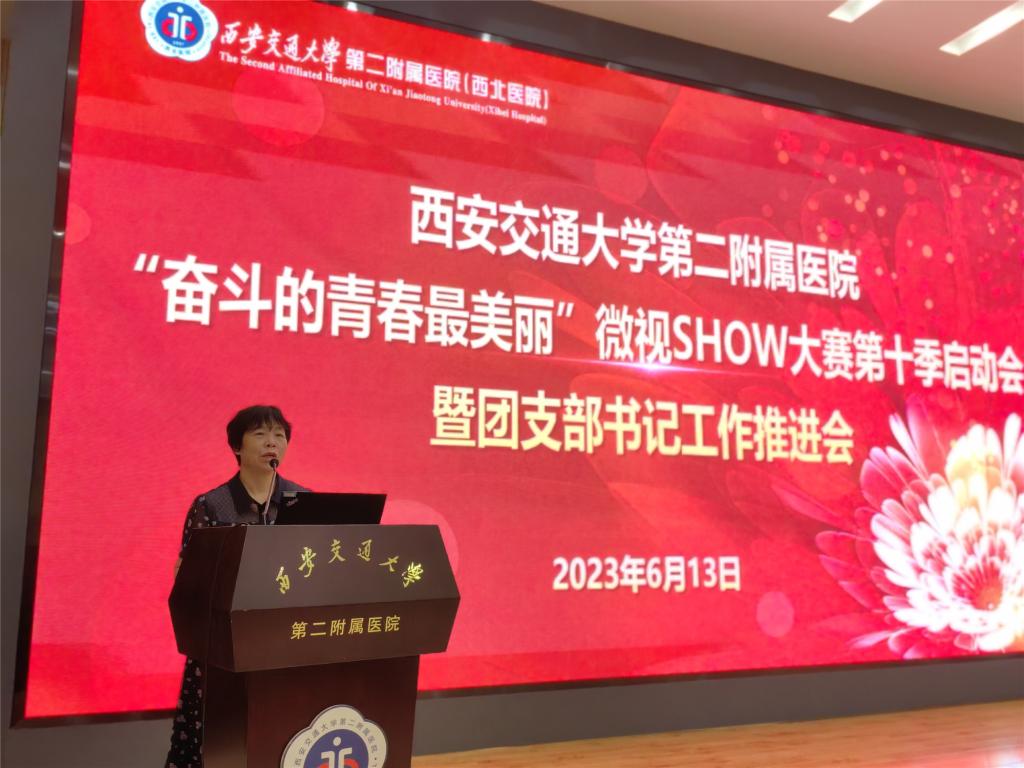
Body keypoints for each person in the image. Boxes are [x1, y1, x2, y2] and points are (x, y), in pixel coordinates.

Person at [165, 405, 308, 768]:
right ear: (237, 447)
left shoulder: (303, 502)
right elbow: (190, 581)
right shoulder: (211, 505)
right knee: (214, 745)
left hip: (283, 644)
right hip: (222, 647)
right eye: (260, 434)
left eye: (279, 435)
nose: (271, 442)